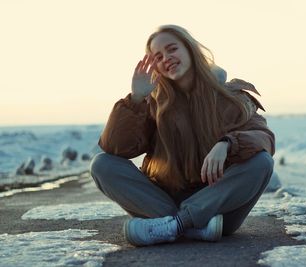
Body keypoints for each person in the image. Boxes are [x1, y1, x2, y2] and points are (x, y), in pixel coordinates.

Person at [90, 25, 275, 246]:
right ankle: (187, 226)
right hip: (164, 200)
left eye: (172, 49)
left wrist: (227, 144)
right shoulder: (152, 102)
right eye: (158, 56)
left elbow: (264, 137)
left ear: (190, 49)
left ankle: (174, 226)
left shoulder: (228, 95)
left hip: (217, 208)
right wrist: (136, 99)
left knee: (262, 162)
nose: (166, 58)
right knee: (101, 164)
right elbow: (116, 148)